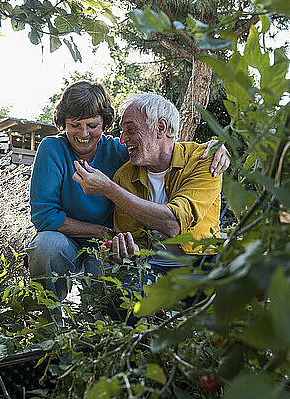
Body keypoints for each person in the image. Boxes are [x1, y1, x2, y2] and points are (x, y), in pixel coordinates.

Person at [27, 81, 229, 300]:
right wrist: (106, 234)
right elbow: (44, 216)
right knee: (46, 246)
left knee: (109, 292)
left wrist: (217, 147)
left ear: (104, 124)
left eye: (92, 125)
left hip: (120, 248)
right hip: (71, 239)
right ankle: (48, 322)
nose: (83, 133)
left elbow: (162, 148)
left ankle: (98, 326)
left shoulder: (122, 154)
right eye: (75, 125)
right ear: (64, 124)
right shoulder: (55, 150)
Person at [72, 92, 222, 277]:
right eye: (122, 131)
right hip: (151, 269)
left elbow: (173, 224)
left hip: (201, 263)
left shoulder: (205, 159)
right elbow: (136, 244)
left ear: (160, 127)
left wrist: (109, 189)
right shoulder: (124, 176)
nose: (122, 139)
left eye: (131, 129)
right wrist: (128, 252)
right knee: (120, 297)